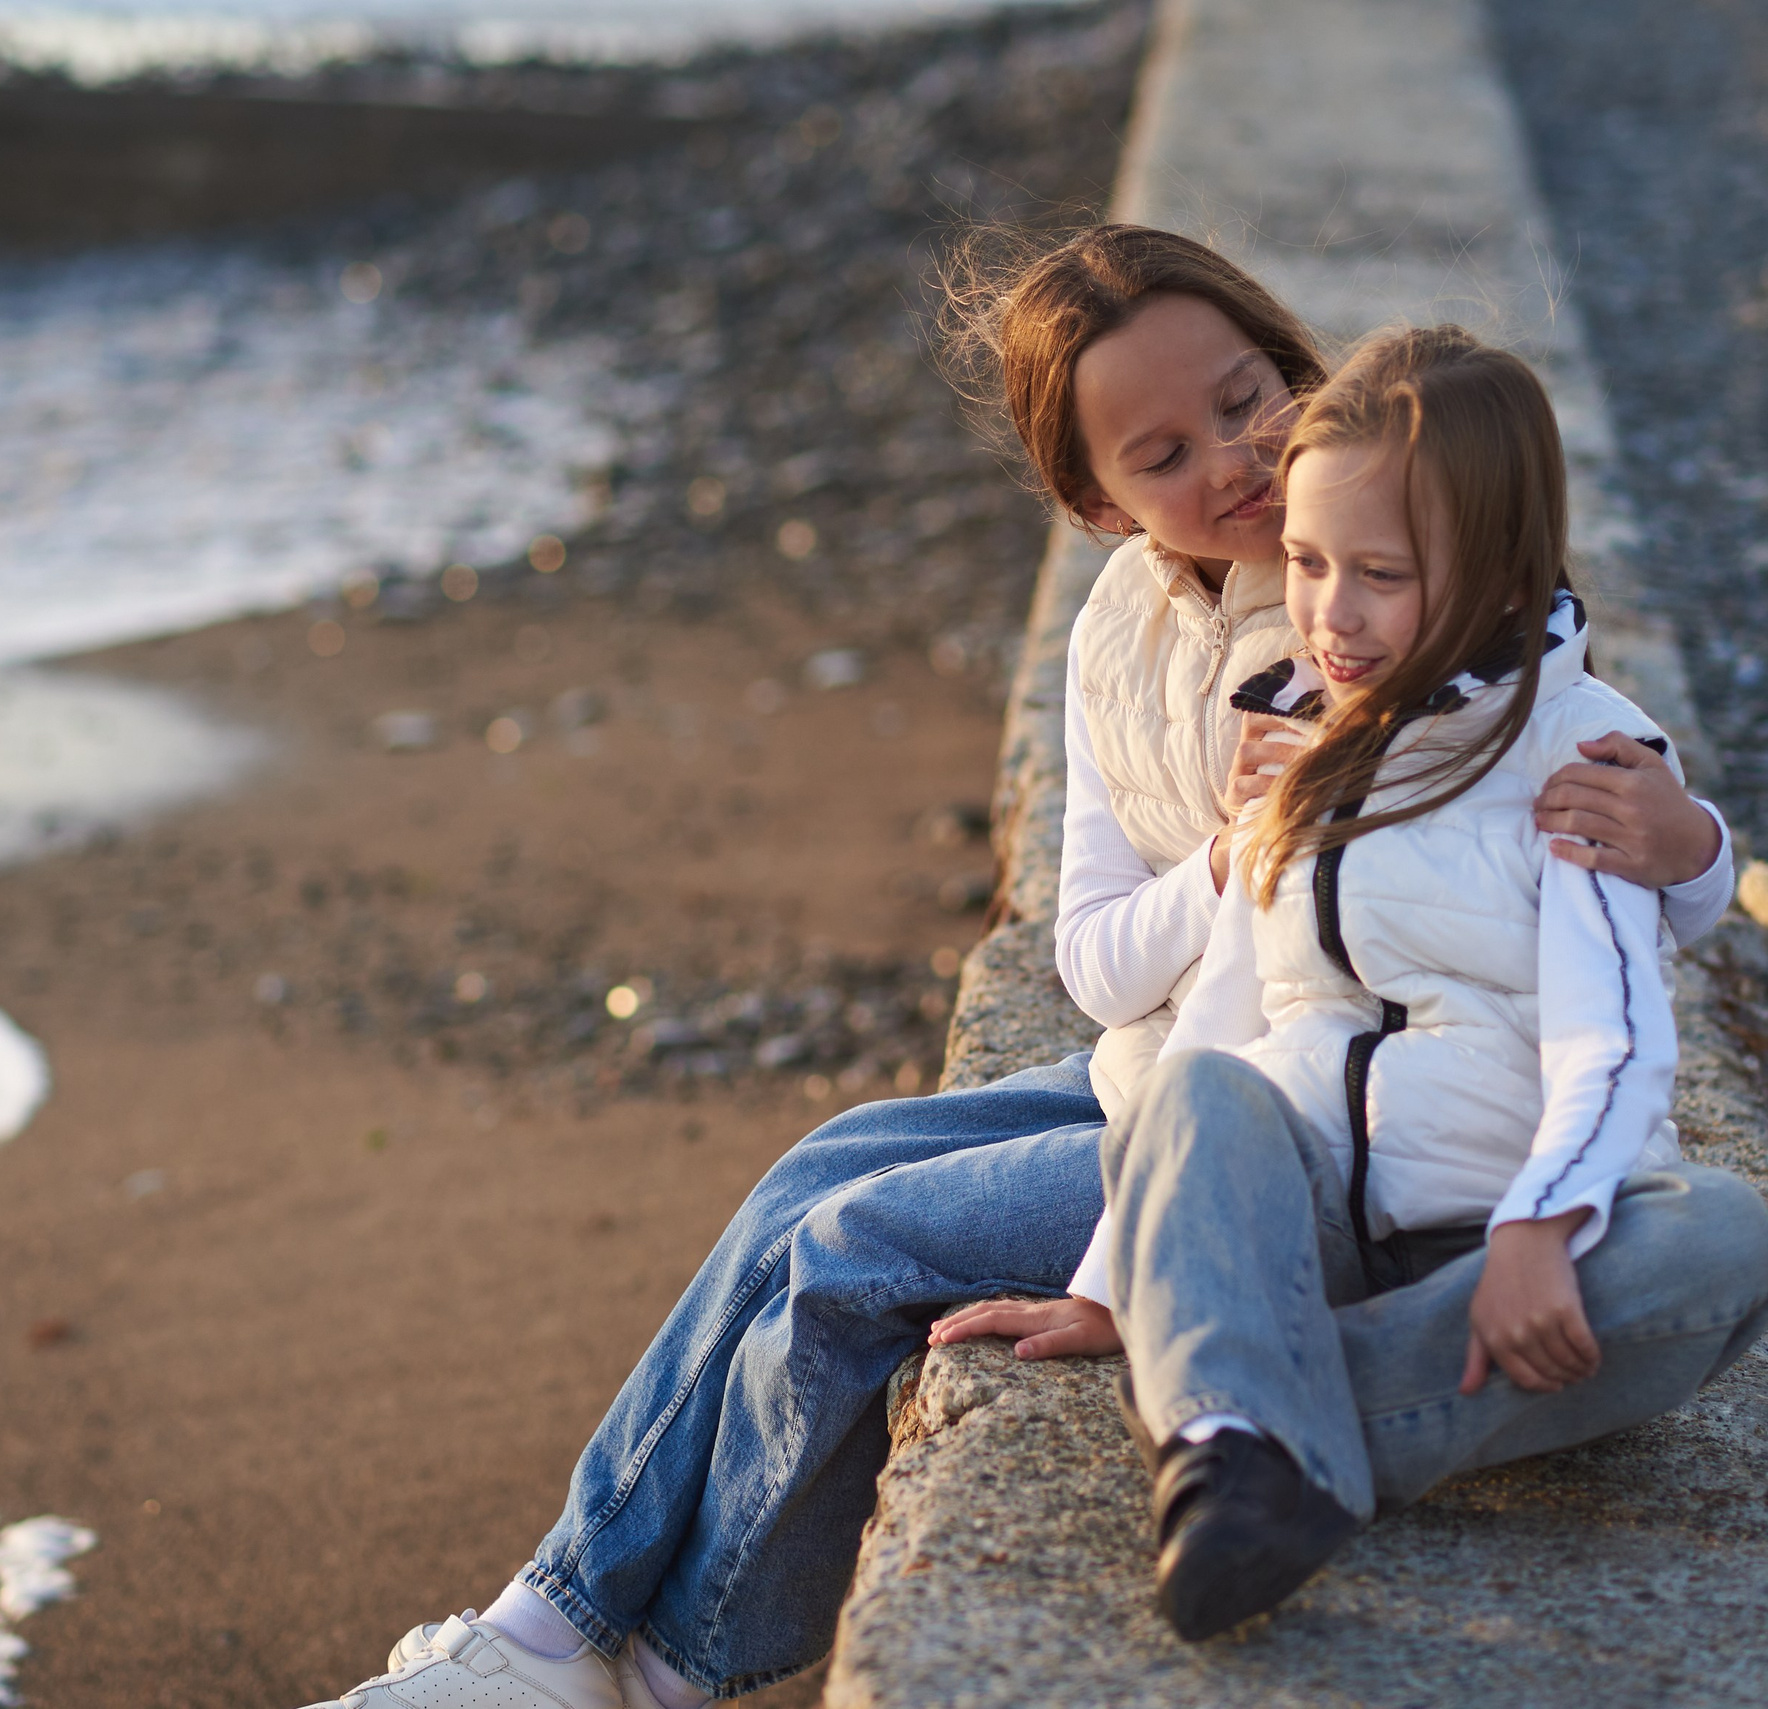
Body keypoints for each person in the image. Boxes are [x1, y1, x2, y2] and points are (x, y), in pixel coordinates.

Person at [304, 231, 1733, 1709]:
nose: (1236, 461)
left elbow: (1574, 824)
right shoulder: (1136, 628)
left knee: (854, 1245)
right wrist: (1232, 852)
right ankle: (552, 1616)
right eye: (1163, 454)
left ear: (1293, 367)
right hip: (1159, 1059)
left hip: (1275, 1111)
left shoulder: (1378, 598)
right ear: (1097, 502)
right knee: (812, 1170)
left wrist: (1686, 843)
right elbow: (1099, 962)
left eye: (1247, 398)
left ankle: (659, 1666)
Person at [937, 326, 1768, 1643]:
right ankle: (1250, 1419)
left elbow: (1609, 1036)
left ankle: (1246, 1433)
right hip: (1318, 1228)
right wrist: (1117, 1277)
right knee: (1192, 1096)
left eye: (1381, 574)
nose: (1331, 612)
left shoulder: (1586, 758)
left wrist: (1538, 1228)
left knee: (1723, 1238)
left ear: (1501, 575)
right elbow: (1224, 1017)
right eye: (1311, 563)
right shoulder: (1297, 747)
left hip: (1509, 1243)